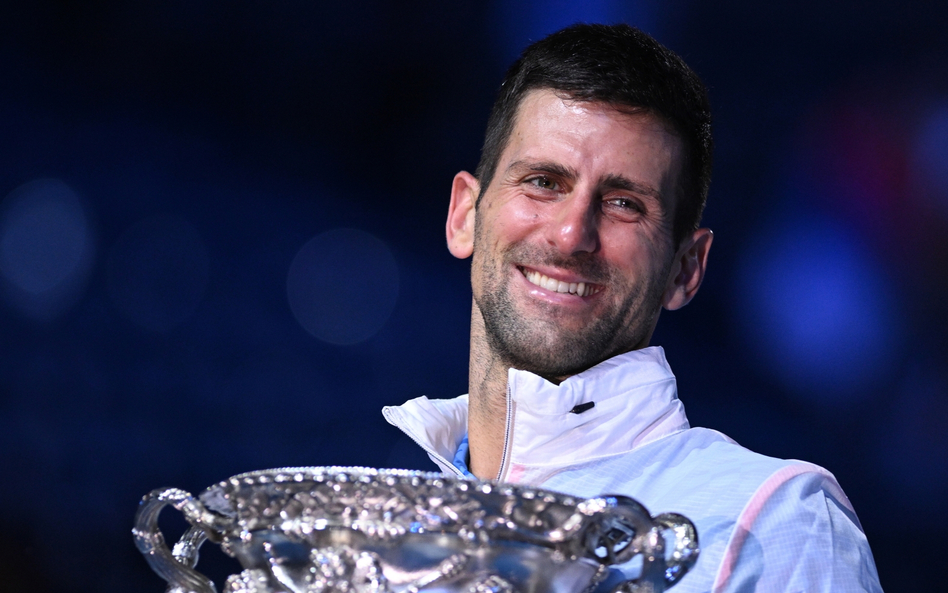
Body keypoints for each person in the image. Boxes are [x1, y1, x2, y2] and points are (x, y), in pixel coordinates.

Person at [383, 23, 881, 592]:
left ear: (685, 269)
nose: (572, 234)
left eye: (624, 203)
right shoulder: (382, 538)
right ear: (464, 215)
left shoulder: (771, 521)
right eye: (543, 181)